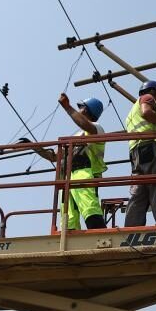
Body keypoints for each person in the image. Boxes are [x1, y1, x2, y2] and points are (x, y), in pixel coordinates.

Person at [32, 94, 107, 231]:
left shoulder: (97, 128)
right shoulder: (76, 137)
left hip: (84, 173)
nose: (78, 110)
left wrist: (67, 107)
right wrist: (32, 146)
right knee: (68, 218)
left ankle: (99, 234)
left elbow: (84, 124)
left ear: (86, 110)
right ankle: (69, 240)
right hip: (66, 178)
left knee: (89, 207)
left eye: (81, 107)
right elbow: (53, 156)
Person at [123, 79, 156, 227]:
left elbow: (149, 126)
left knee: (139, 191)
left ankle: (131, 227)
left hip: (137, 153)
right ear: (153, 92)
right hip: (151, 149)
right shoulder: (147, 98)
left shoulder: (132, 112)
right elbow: (147, 112)